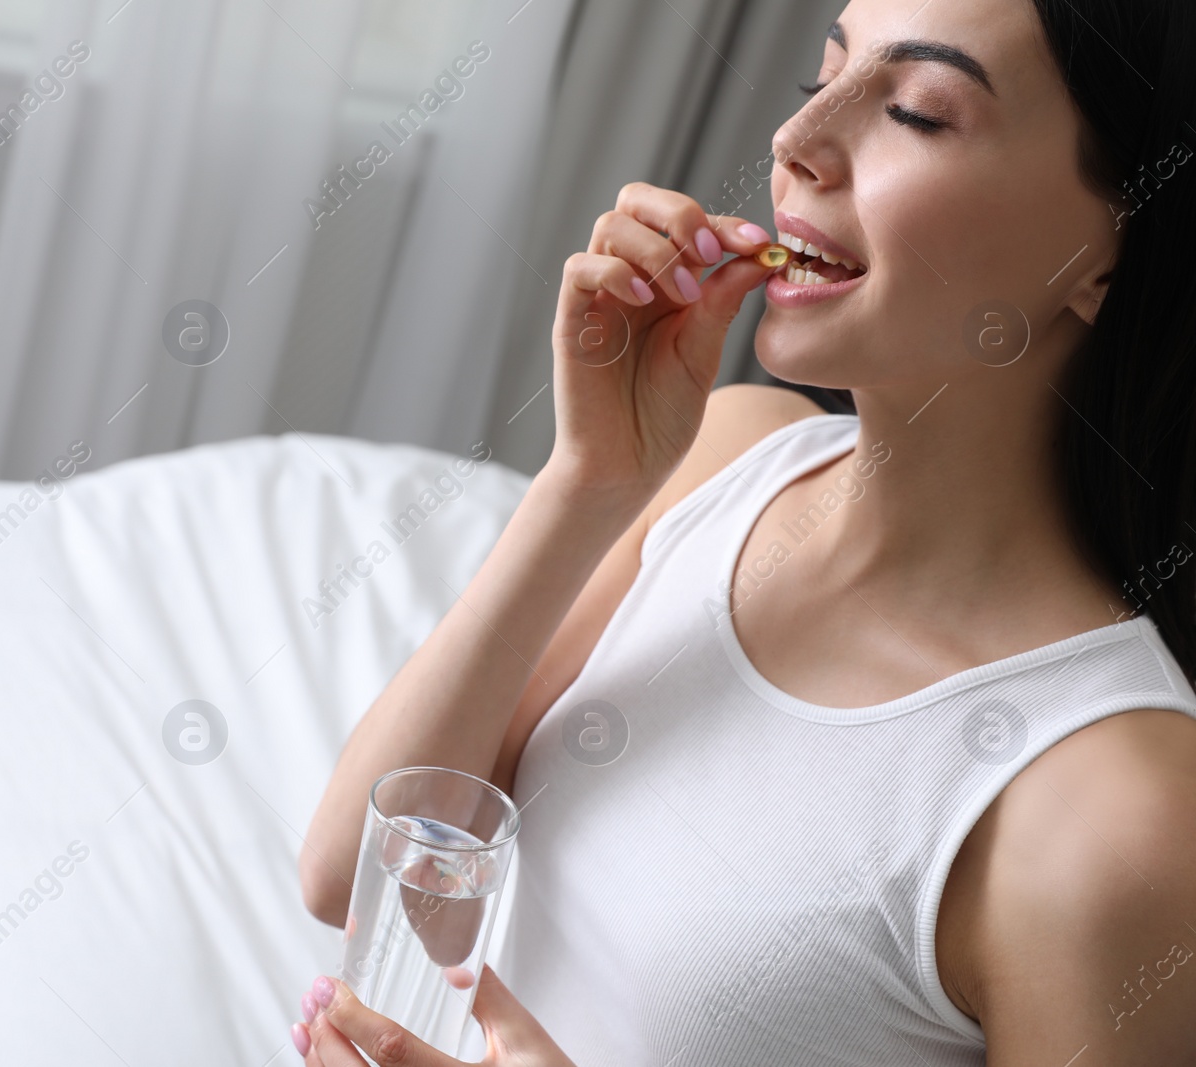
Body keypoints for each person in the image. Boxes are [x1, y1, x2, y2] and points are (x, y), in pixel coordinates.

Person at [291, 0, 1196, 1062]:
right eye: (826, 76)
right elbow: (356, 871)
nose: (794, 143)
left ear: (1105, 248)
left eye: (914, 112)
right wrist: (591, 478)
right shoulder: (732, 450)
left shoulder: (1115, 811)